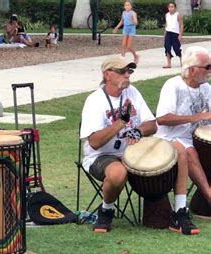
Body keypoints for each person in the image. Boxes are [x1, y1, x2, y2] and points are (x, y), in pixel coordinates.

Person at [80, 55, 158, 233]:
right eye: (122, 71)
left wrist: (138, 131)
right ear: (107, 74)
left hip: (131, 153)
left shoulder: (133, 92)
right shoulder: (94, 100)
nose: (127, 75)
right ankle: (106, 210)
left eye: (129, 71)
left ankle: (165, 212)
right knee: (117, 172)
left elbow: (152, 124)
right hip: (100, 157)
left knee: (169, 158)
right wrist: (120, 123)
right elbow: (94, 142)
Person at [155, 46, 211, 218]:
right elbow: (162, 118)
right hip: (171, 139)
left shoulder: (206, 88)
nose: (210, 71)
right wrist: (196, 117)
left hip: (196, 139)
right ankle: (209, 197)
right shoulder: (173, 85)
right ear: (193, 70)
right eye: (207, 67)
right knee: (190, 152)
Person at [163, 2, 183, 69]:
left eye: (172, 7)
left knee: (176, 48)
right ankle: (169, 64)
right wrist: (165, 34)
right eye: (169, 7)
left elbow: (181, 25)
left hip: (175, 33)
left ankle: (182, 61)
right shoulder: (167, 15)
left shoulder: (178, 15)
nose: (170, 8)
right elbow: (166, 24)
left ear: (175, 8)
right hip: (168, 33)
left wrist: (180, 34)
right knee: (167, 47)